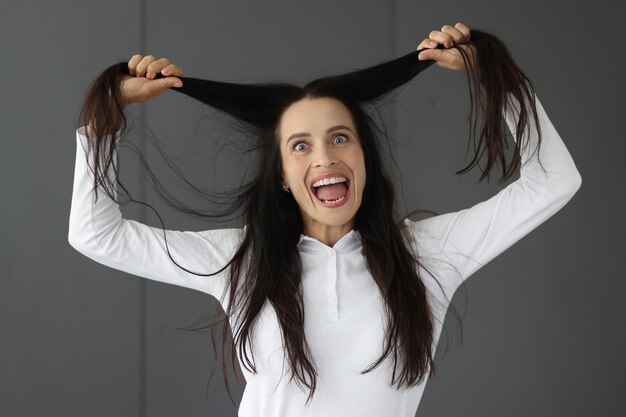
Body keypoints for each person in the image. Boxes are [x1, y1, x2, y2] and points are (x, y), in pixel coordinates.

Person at [68, 23, 582, 417]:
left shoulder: (430, 254)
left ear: (364, 157)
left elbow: (553, 181)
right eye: (300, 145)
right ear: (285, 177)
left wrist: (497, 79)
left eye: (340, 138)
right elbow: (96, 234)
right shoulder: (241, 259)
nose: (324, 158)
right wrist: (102, 125)